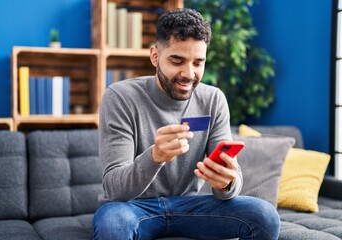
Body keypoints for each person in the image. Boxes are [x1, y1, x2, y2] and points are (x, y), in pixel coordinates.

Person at [93, 8, 280, 240]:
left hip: (190, 206)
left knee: (264, 216)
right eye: (177, 60)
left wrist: (227, 183)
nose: (188, 74)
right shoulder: (120, 97)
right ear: (154, 56)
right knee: (112, 224)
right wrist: (155, 157)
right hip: (132, 207)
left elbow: (230, 181)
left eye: (198, 63)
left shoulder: (213, 99)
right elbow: (115, 189)